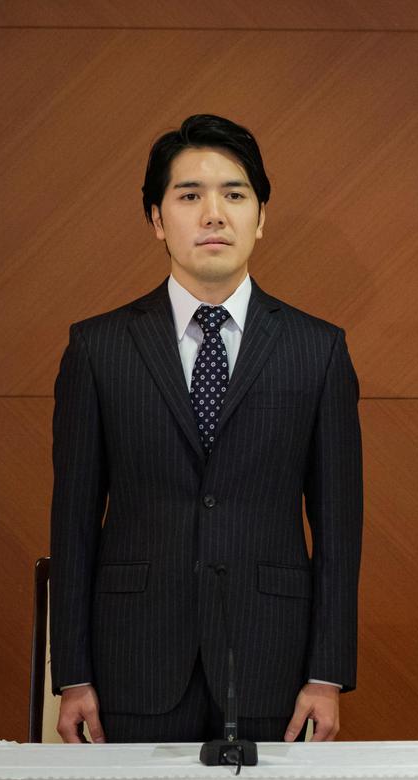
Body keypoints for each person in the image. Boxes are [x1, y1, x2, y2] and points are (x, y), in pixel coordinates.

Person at [50, 114, 362, 744]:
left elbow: (338, 526)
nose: (213, 214)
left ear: (261, 216)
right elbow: (74, 522)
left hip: (273, 665)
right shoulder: (98, 348)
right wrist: (74, 675)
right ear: (158, 220)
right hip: (129, 665)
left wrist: (326, 675)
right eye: (190, 196)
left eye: (235, 195)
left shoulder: (318, 350)